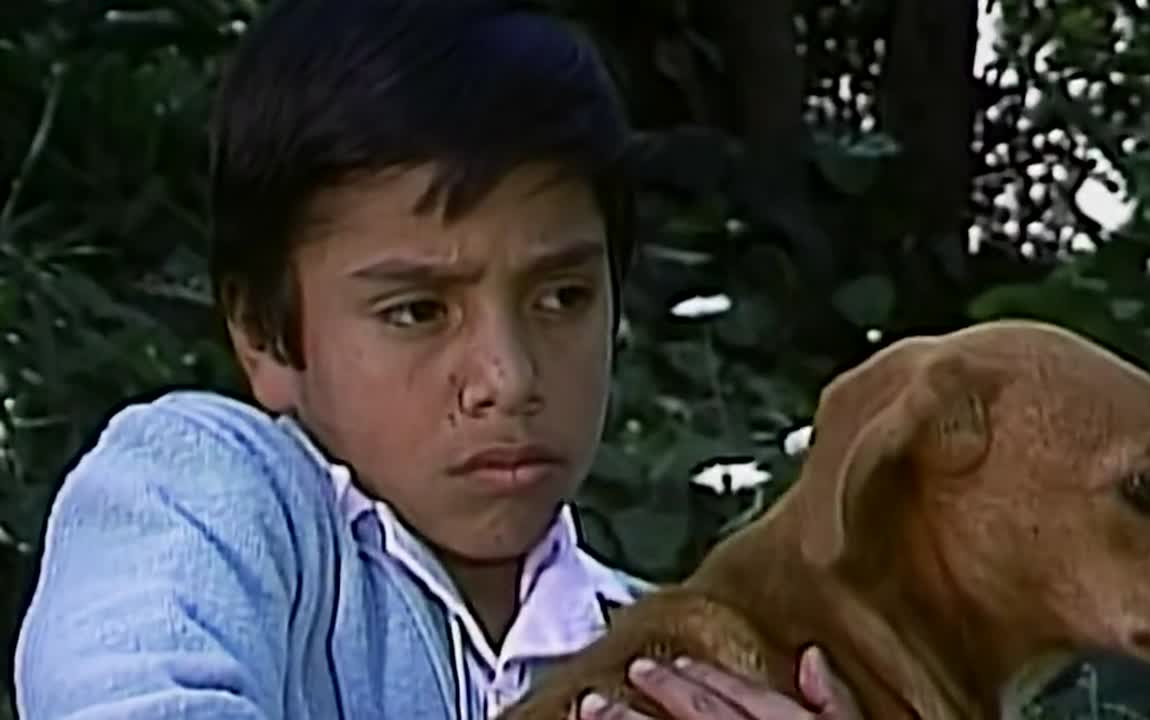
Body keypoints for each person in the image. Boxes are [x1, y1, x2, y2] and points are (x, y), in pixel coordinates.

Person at [12, 1, 859, 718]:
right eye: (417, 311)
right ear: (264, 334)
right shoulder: (207, 498)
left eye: (562, 297)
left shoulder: (680, 657)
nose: (508, 380)